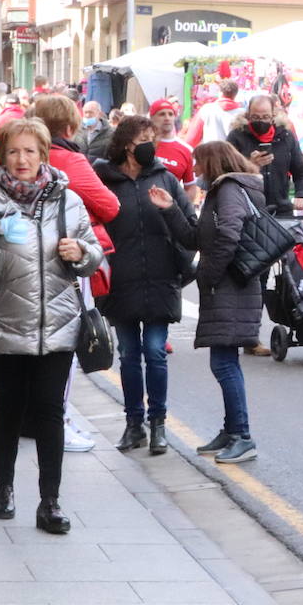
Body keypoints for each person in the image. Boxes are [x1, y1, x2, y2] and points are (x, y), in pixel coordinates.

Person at [0, 119, 103, 535]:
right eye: (14, 151)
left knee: (51, 412)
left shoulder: (68, 202)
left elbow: (94, 255)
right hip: (4, 325)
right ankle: (4, 486)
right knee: (10, 411)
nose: (22, 160)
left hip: (58, 325)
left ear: (44, 155)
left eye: (30, 151)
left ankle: (50, 500)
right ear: (1, 153)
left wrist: (82, 252)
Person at [93, 115, 199, 455]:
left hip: (161, 278)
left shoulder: (167, 180)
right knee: (127, 355)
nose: (151, 144)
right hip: (120, 280)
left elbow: (191, 233)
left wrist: (169, 210)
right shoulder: (104, 180)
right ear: (127, 144)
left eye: (153, 137)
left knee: (155, 352)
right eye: (145, 138)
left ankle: (158, 424)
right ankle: (133, 423)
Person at [30, 94, 122, 453]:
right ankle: (57, 422)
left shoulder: (15, 156)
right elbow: (109, 206)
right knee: (65, 344)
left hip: (22, 262)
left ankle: (32, 418)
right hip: (66, 260)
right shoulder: (71, 159)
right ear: (69, 127)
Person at [189, 140, 267, 464]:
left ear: (212, 163)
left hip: (231, 287)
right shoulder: (227, 188)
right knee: (223, 361)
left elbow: (230, 233)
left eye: (198, 164)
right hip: (231, 286)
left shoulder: (229, 188)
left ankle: (242, 436)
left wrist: (210, 272)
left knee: (224, 363)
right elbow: (200, 236)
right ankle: (231, 430)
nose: (195, 171)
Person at [227, 95, 303, 215]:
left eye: (265, 117)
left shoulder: (286, 137)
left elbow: (302, 171)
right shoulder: (236, 137)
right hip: (246, 209)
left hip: (280, 209)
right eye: (255, 117)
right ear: (248, 115)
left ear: (273, 116)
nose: (261, 121)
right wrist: (250, 165)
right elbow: (225, 173)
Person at [148, 98, 198, 201]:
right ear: (152, 118)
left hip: (170, 211)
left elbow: (190, 187)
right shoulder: (143, 144)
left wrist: (183, 211)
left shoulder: (186, 150)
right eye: (162, 114)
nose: (167, 118)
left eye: (171, 114)